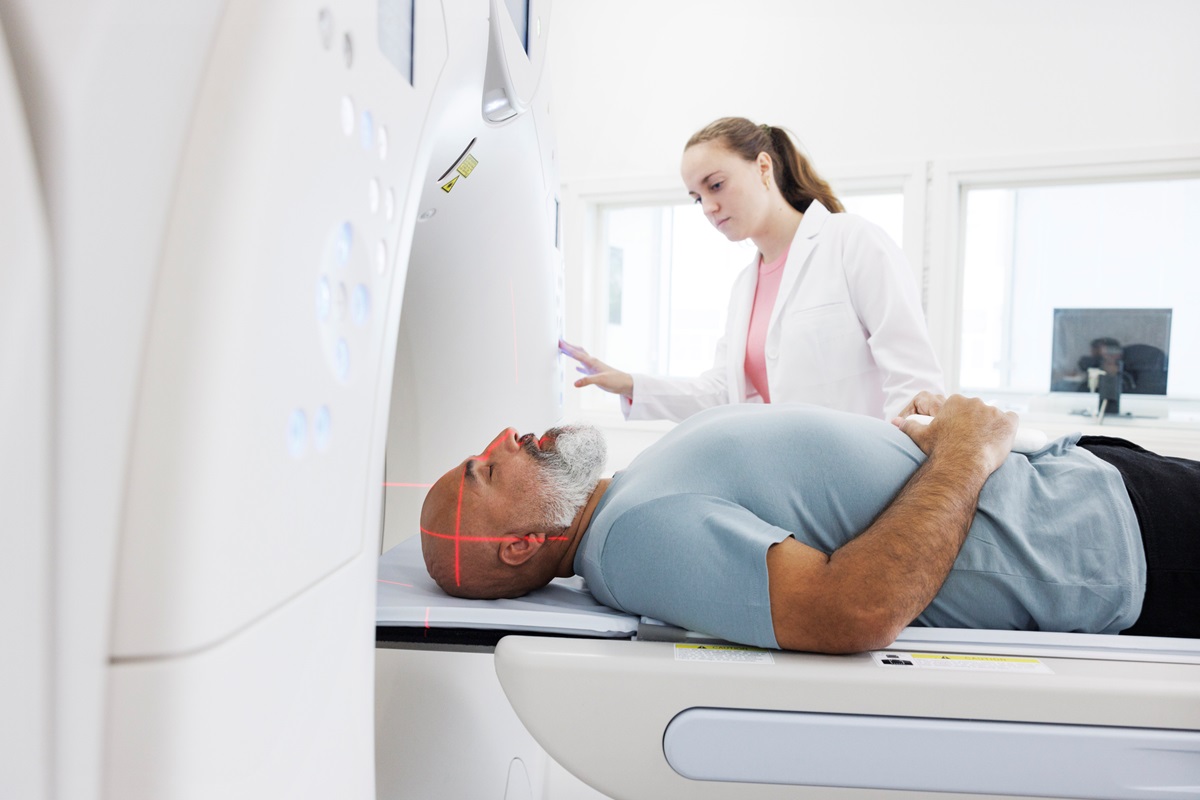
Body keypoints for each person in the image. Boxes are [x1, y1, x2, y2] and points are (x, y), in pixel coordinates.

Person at [419, 394, 1199, 654]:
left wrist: (921, 443)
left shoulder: (630, 491)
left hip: (1092, 484)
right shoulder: (629, 543)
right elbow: (851, 611)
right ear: (520, 544)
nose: (506, 440)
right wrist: (965, 450)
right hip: (1112, 541)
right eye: (487, 469)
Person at [559, 116, 943, 422]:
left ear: (762, 167)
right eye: (697, 198)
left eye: (716, 185)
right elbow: (723, 393)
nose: (708, 207)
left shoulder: (852, 241)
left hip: (867, 477)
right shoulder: (745, 286)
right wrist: (631, 384)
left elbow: (914, 384)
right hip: (788, 479)